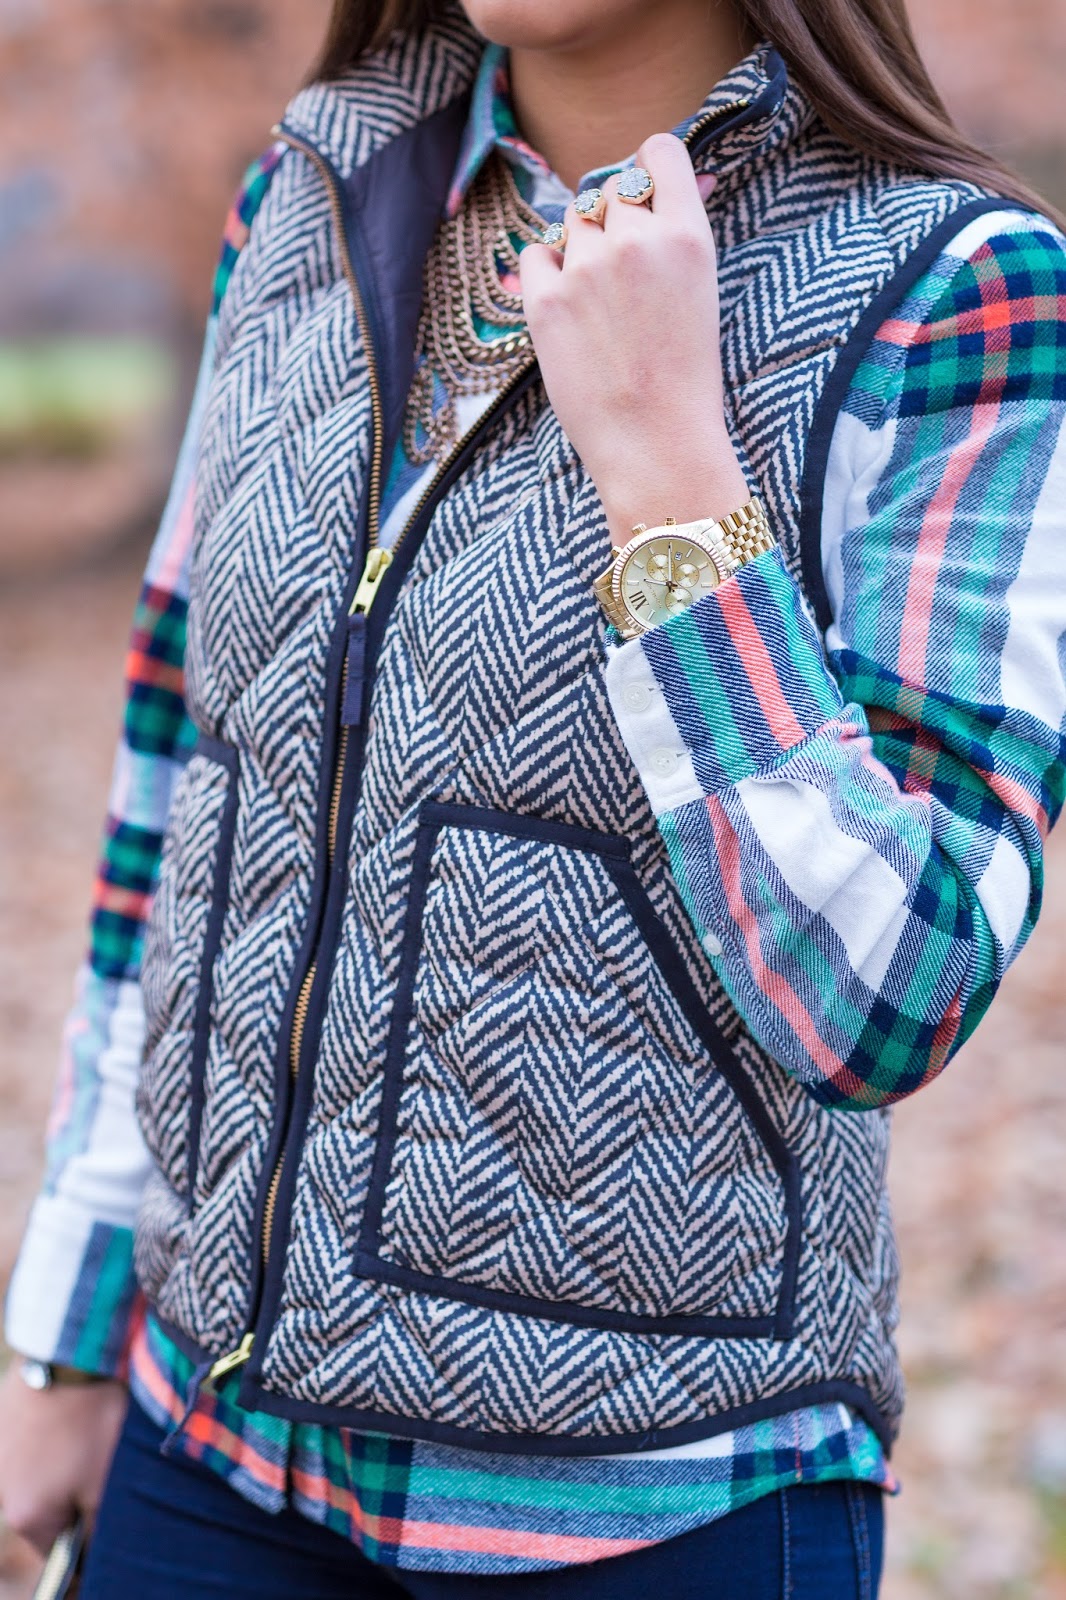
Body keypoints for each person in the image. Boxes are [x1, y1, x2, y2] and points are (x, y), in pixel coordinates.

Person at [2, 0, 1065, 1593]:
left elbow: (888, 993)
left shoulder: (957, 291)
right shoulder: (311, 192)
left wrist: (667, 472)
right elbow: (178, 785)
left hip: (656, 1508)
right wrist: (72, 1337)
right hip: (206, 1454)